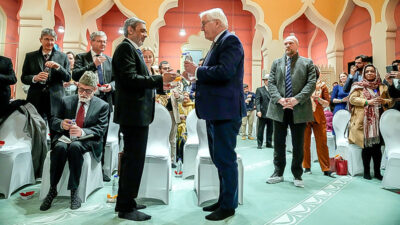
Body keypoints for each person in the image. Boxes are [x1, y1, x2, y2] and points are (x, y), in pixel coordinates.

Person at [183, 8, 245, 221]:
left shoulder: (231, 40)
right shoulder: (218, 43)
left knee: (226, 160)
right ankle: (223, 199)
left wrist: (197, 71)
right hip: (216, 112)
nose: (201, 28)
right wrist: (196, 76)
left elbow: (225, 71)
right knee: (219, 159)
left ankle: (228, 206)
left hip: (225, 112)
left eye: (204, 23)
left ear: (217, 23)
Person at [112, 17, 176, 221]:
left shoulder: (133, 50)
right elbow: (130, 80)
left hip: (138, 115)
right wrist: (159, 79)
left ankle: (128, 200)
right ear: (129, 30)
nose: (145, 34)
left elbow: (138, 80)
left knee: (134, 160)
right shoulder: (125, 49)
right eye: (142, 30)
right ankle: (125, 207)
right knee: (133, 160)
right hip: (133, 115)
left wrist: (161, 83)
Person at [40, 71, 109, 211]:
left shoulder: (102, 105)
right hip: (66, 137)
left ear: (95, 89)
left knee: (75, 147)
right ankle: (53, 189)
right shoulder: (66, 100)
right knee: (59, 147)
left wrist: (83, 132)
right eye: (81, 89)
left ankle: (74, 190)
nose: (83, 93)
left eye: (87, 91)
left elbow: (101, 129)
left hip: (87, 141)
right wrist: (61, 124)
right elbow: (53, 120)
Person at [266, 35, 316, 188]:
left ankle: (297, 174)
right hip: (279, 108)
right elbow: (271, 83)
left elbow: (311, 83)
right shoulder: (276, 63)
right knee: (278, 143)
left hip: (299, 108)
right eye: (286, 43)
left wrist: (296, 99)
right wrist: (280, 99)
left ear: (297, 45)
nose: (288, 45)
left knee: (298, 144)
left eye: (291, 43)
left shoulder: (307, 63)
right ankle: (278, 172)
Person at [72, 31, 114, 182]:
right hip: (85, 102)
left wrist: (111, 86)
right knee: (84, 134)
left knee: (101, 136)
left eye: (105, 41)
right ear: (91, 42)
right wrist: (93, 65)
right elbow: (75, 75)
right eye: (99, 41)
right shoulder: (82, 57)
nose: (103, 44)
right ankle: (80, 167)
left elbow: (116, 79)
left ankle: (100, 169)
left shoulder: (109, 60)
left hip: (104, 102)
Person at [21, 28, 71, 142]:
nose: (49, 42)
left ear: (55, 41)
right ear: (40, 40)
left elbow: (68, 77)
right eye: (46, 39)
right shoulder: (30, 56)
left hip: (56, 100)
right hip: (36, 99)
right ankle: (37, 157)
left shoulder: (63, 57)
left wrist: (58, 67)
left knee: (56, 132)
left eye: (52, 40)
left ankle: (54, 156)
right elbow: (24, 77)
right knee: (36, 131)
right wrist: (35, 78)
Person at [348, 64, 392, 180]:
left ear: (376, 73)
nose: (369, 73)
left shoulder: (382, 86)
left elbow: (391, 101)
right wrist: (368, 102)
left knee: (377, 149)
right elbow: (352, 99)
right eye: (367, 71)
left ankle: (377, 173)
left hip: (379, 122)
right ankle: (366, 172)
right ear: (363, 74)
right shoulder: (358, 86)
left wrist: (383, 101)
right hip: (364, 122)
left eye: (372, 71)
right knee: (366, 148)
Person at [302, 66, 335, 177]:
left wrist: (319, 99)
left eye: (314, 72)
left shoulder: (323, 86)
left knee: (322, 144)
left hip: (319, 118)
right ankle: (306, 166)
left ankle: (326, 168)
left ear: (317, 73)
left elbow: (327, 103)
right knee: (305, 144)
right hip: (305, 117)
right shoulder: (303, 85)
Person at [255, 74, 273, 149]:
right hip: (262, 112)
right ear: (264, 81)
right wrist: (258, 111)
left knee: (270, 129)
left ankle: (269, 143)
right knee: (260, 129)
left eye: (269, 80)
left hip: (272, 113)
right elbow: (257, 101)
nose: (268, 81)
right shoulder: (259, 89)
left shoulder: (273, 90)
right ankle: (259, 144)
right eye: (267, 80)